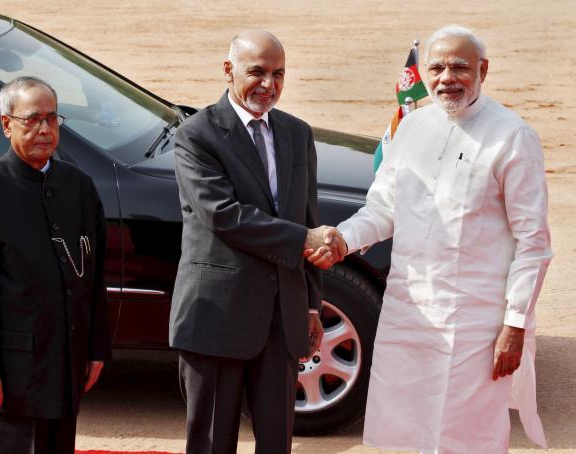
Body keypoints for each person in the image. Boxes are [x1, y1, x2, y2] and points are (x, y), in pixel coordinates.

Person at [307, 25, 552, 453]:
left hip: (477, 321)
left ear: (483, 70)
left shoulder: (512, 137)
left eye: (460, 66)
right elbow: (383, 209)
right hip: (409, 312)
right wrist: (343, 239)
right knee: (409, 430)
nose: (447, 77)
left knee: (466, 434)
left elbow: (533, 242)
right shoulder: (412, 128)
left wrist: (515, 324)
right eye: (436, 67)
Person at [169, 30, 343, 454]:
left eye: (279, 73)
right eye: (257, 72)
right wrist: (304, 237)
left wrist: (309, 304)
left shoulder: (297, 134)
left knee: (276, 442)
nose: (269, 84)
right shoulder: (196, 135)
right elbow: (223, 216)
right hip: (215, 319)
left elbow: (308, 216)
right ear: (229, 71)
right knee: (212, 443)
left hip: (279, 321)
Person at [0, 76, 111, 454]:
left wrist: (96, 348)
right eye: (32, 119)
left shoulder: (78, 186)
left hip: (66, 362)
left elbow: (94, 273)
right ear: (7, 125)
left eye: (52, 120)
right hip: (9, 374)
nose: (44, 129)